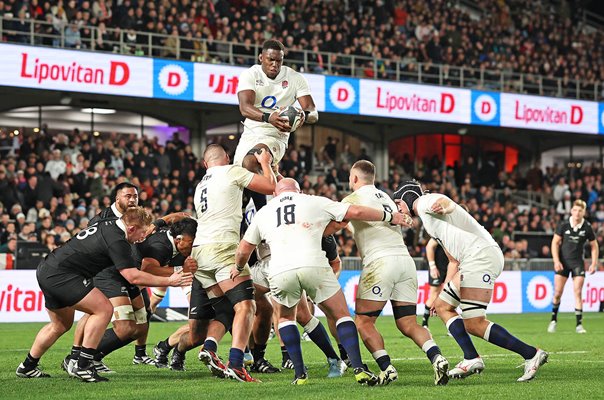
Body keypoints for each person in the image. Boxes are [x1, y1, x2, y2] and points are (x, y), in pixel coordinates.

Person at [234, 178, 410, 385]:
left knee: (285, 319)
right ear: (298, 190)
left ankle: (299, 374)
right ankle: (358, 368)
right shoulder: (313, 201)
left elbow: (243, 249)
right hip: (313, 264)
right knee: (341, 315)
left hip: (280, 269)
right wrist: (390, 215)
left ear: (275, 194)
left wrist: (237, 268)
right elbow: (357, 213)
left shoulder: (264, 212)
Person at [394, 181, 548, 382]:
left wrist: (446, 206)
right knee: (442, 306)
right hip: (473, 259)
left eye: (398, 202)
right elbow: (453, 260)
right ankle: (471, 357)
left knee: (474, 323)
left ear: (408, 197)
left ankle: (530, 353)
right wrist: (444, 289)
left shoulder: (423, 203)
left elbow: (445, 202)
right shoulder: (429, 219)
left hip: (480, 256)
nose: (398, 207)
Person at [16, 207, 192, 382]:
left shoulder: (109, 224)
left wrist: (162, 220)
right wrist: (170, 281)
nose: (143, 238)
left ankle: (28, 366)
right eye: (142, 233)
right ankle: (82, 364)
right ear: (131, 228)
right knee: (103, 310)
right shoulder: (118, 241)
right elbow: (133, 276)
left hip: (48, 268)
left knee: (60, 325)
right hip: (65, 275)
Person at [343, 161, 449, 386]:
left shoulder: (352, 200)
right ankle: (437, 357)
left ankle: (386, 368)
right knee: (408, 324)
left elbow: (339, 221)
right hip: (405, 262)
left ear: (354, 178)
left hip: (381, 262)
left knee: (363, 321)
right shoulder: (388, 199)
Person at [191, 143, 276, 383]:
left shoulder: (201, 185)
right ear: (227, 158)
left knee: (227, 308)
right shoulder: (231, 171)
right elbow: (270, 187)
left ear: (205, 164)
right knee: (247, 306)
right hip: (223, 249)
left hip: (200, 252)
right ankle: (237, 364)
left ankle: (209, 347)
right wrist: (266, 164)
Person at [235, 39, 319, 169]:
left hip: (277, 135)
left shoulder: (295, 78)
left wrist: (304, 115)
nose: (275, 64)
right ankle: (276, 183)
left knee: (251, 162)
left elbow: (313, 112)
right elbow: (245, 108)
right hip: (251, 132)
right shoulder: (250, 74)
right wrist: (269, 117)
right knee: (238, 175)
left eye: (279, 61)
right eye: (270, 59)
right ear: (261, 58)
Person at [548, 199, 598, 334]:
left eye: (580, 211)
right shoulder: (564, 225)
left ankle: (579, 325)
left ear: (584, 212)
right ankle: (553, 320)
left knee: (577, 292)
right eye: (575, 210)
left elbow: (594, 246)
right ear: (571, 211)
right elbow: (555, 243)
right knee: (557, 293)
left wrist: (594, 263)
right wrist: (556, 261)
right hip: (563, 263)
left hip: (578, 263)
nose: (577, 213)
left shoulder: (587, 227)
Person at [422, 238, 456, 328]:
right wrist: (432, 266)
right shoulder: (441, 231)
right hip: (438, 268)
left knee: (452, 296)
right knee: (434, 294)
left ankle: (452, 326)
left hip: (451, 267)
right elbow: (429, 247)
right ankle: (424, 324)